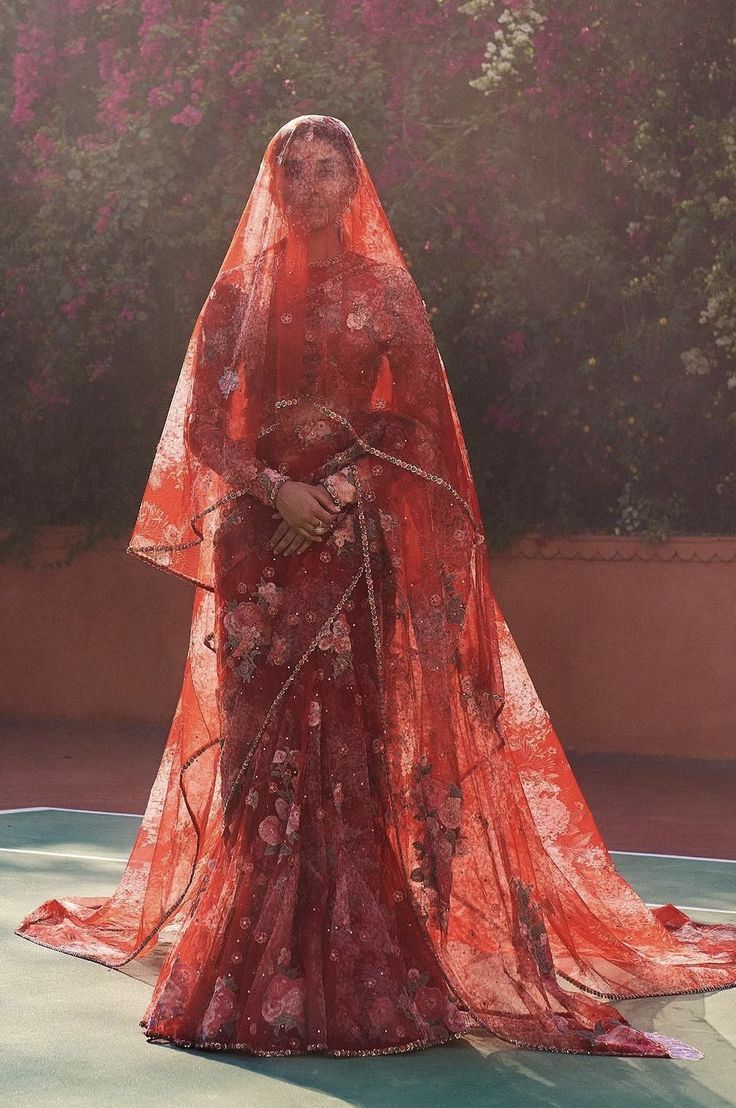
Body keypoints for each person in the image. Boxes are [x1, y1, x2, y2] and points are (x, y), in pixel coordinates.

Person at [15, 115, 736, 1060]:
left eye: (328, 170)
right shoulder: (238, 293)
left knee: (352, 747)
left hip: (350, 551)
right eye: (295, 170)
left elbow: (424, 426)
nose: (311, 186)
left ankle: (370, 965)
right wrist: (281, 490)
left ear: (355, 183)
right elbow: (203, 436)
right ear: (274, 183)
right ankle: (251, 959)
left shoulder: (384, 288)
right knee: (260, 755)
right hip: (260, 555)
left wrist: (345, 489)